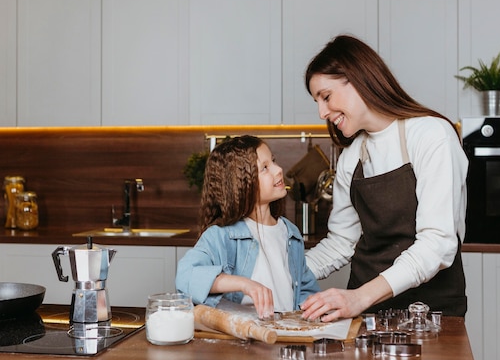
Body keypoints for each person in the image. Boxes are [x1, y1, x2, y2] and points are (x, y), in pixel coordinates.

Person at [300, 35, 468, 322]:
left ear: (358, 78)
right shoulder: (351, 158)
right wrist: (277, 273)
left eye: (326, 97)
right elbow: (342, 242)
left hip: (429, 314)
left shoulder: (431, 135)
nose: (322, 112)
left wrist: (359, 297)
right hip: (365, 315)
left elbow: (437, 243)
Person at [176, 135, 320, 319]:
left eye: (273, 161)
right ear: (241, 183)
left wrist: (316, 306)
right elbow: (186, 276)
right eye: (265, 168)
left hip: (284, 338)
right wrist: (244, 284)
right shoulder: (221, 236)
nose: (278, 170)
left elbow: (305, 289)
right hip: (245, 343)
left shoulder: (290, 232)